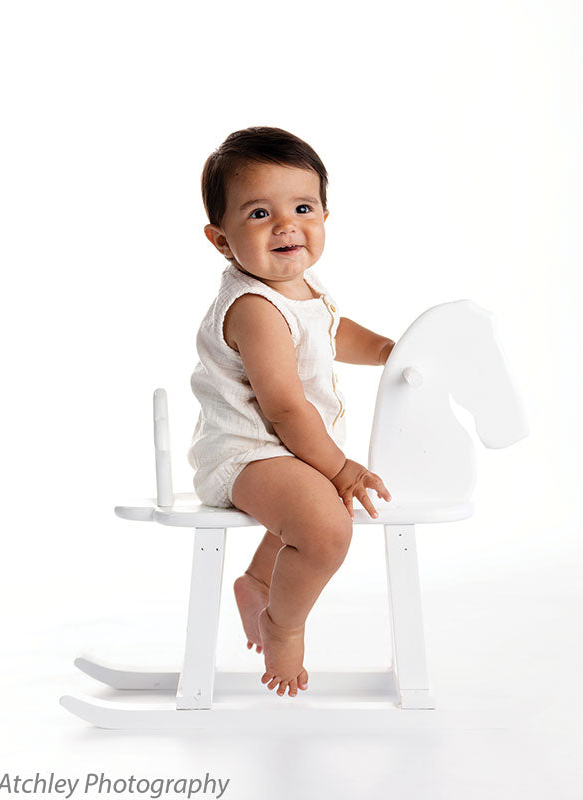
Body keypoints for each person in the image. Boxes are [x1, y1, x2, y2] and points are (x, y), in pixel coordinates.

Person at [188, 127, 395, 699]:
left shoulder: (299, 287)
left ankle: (258, 583)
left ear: (325, 214)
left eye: (303, 207)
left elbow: (330, 333)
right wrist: (341, 467)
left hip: (283, 450)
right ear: (222, 239)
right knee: (327, 527)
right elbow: (283, 406)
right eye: (258, 213)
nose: (286, 225)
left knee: (315, 505)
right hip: (247, 452)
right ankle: (285, 623)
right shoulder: (254, 306)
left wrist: (385, 350)